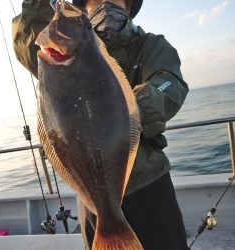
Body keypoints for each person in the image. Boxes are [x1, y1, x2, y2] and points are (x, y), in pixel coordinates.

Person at [12, 0, 190, 249]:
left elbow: (169, 84)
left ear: (128, 7)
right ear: (85, 11)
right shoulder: (60, 50)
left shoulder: (150, 45)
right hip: (91, 196)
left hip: (149, 184)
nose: (104, 4)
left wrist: (127, 114)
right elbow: (29, 38)